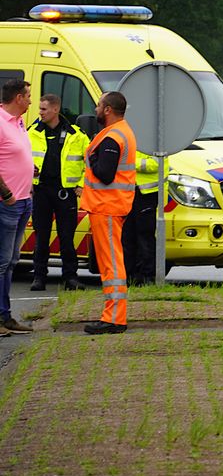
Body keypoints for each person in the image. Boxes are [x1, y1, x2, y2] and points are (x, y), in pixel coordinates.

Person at [82, 91, 137, 335]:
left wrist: (92, 157)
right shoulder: (121, 131)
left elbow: (105, 174)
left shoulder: (113, 136)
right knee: (110, 264)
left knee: (111, 265)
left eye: (98, 105)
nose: (95, 110)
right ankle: (113, 316)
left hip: (107, 207)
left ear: (107, 110)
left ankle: (114, 318)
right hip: (111, 206)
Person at [27, 93, 89, 291]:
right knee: (41, 236)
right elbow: (21, 160)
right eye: (40, 109)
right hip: (41, 191)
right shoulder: (31, 132)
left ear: (55, 109)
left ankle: (70, 278)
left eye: (44, 109)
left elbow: (90, 163)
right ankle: (39, 277)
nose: (40, 113)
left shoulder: (76, 135)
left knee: (66, 237)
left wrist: (80, 184)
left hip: (65, 193)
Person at [0, 79, 36, 336]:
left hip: (24, 200)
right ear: (18, 98)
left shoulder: (19, 122)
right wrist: (7, 194)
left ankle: (5, 315)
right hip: (8, 203)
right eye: (28, 96)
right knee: (2, 262)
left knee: (12, 261)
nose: (31, 101)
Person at [123, 150, 161, 286]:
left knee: (145, 237)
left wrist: (130, 163)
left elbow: (155, 164)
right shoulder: (129, 138)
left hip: (147, 194)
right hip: (128, 192)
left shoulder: (154, 140)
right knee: (128, 236)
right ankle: (130, 276)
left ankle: (147, 277)